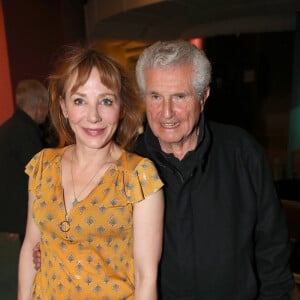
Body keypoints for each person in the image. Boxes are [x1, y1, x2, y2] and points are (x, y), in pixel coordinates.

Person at [33, 40, 295, 299]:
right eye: (156, 97)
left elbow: (272, 249)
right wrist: (53, 245)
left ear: (203, 97)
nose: (166, 113)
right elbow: (96, 236)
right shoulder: (127, 164)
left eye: (179, 96)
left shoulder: (242, 153)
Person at [18, 46, 164, 300]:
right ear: (63, 107)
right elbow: (31, 245)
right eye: (79, 101)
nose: (93, 116)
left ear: (120, 108)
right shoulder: (42, 166)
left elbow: (145, 276)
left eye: (106, 101)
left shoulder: (138, 177)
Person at [0, 79, 49, 244]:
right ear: (40, 103)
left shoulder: (7, 129)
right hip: (28, 217)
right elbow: (41, 178)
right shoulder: (27, 133)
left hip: (14, 217)